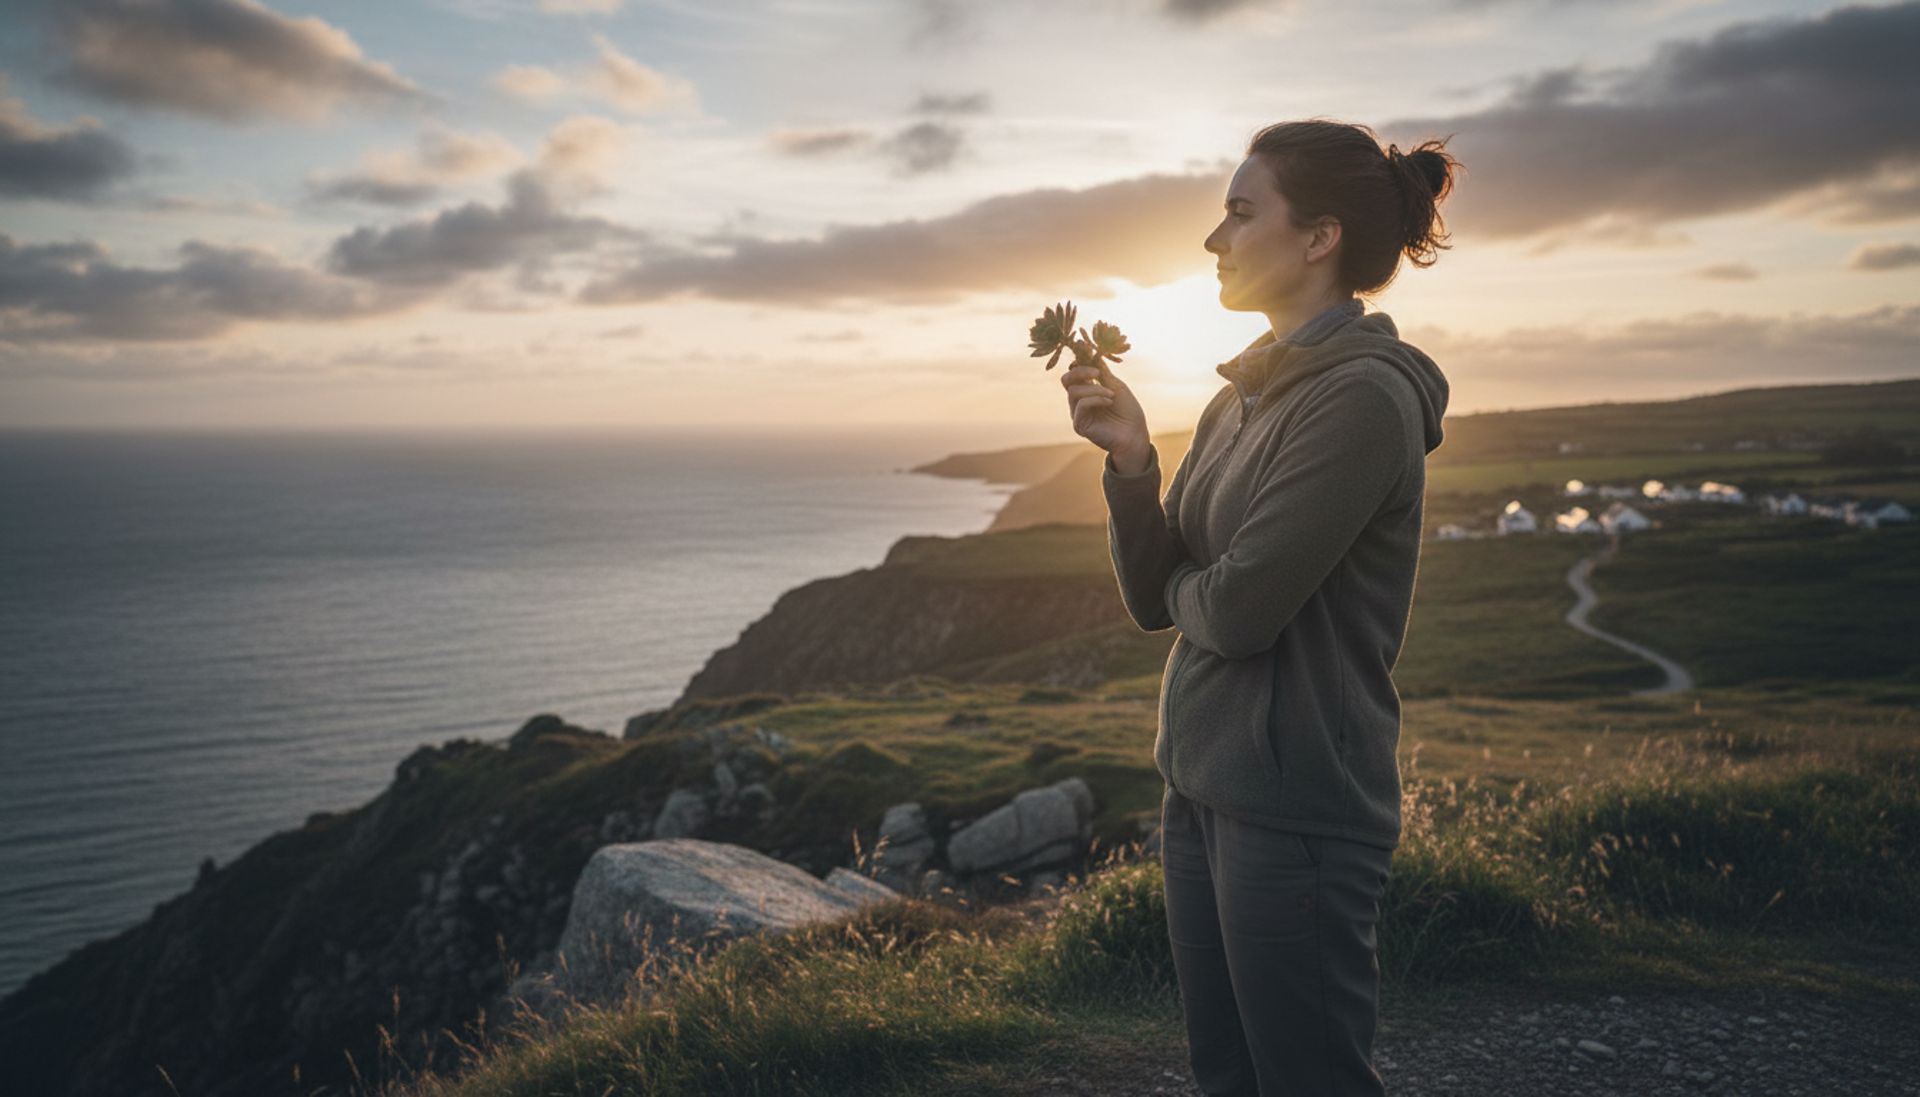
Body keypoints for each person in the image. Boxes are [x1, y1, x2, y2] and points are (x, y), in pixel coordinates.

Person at [1058, 119, 1461, 1096]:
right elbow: (1159, 599)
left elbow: (1237, 614)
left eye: (1241, 212)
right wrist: (1132, 462)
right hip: (1199, 781)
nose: (1214, 238)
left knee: (1309, 1077)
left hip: (1297, 809)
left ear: (1319, 238)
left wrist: (1211, 584)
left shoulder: (1361, 400)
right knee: (1226, 1073)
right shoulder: (1241, 394)